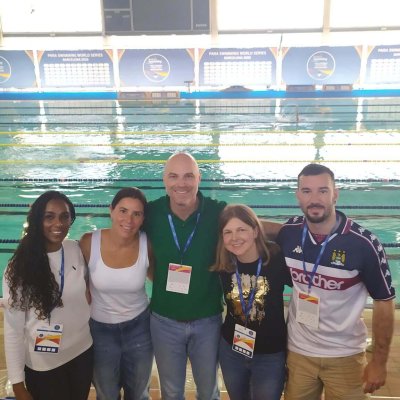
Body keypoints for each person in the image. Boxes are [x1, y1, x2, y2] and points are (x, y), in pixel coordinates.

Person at [276, 163, 396, 400]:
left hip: (346, 355)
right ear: (298, 195)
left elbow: (384, 301)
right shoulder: (289, 233)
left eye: (323, 190)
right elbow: (258, 231)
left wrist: (379, 361)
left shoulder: (363, 244)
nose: (315, 199)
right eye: (307, 191)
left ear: (335, 194)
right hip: (299, 352)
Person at [144, 152, 226, 400]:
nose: (181, 183)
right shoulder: (151, 213)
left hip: (208, 321)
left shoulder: (217, 212)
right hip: (164, 321)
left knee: (208, 392)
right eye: (174, 176)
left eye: (189, 176)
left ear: (199, 178)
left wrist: (292, 230)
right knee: (171, 393)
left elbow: (250, 226)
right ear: (164, 179)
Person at [2, 190, 93, 400]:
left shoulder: (75, 249)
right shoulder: (18, 268)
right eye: (49, 216)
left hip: (82, 353)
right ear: (37, 220)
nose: (58, 223)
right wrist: (18, 384)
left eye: (64, 216)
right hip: (44, 365)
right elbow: (14, 329)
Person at [79, 187, 153, 400]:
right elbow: (77, 284)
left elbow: (160, 281)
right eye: (123, 211)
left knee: (138, 394)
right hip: (100, 330)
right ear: (111, 210)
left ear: (143, 219)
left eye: (136, 214)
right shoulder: (89, 242)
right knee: (107, 394)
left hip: (140, 328)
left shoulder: (146, 244)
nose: (128, 219)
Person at [212, 204, 292, 400]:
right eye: (228, 232)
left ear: (255, 231)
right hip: (232, 350)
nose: (235, 237)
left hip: (270, 354)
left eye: (242, 230)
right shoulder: (225, 264)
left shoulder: (277, 258)